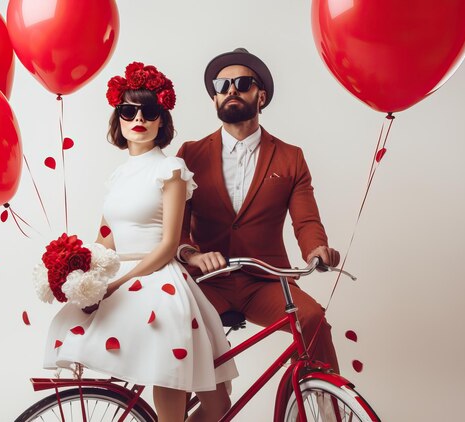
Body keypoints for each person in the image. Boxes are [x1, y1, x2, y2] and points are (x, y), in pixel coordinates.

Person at [43, 62, 237, 422]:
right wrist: (74, 271)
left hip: (160, 280)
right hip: (125, 280)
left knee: (216, 405)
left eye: (150, 111)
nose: (139, 118)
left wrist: (116, 284)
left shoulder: (171, 169)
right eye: (128, 110)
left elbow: (166, 246)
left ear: (161, 119)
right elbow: (105, 240)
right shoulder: (117, 175)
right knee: (172, 386)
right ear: (118, 119)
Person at [176, 47, 341, 397]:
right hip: (208, 281)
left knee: (312, 320)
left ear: (260, 95)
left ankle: (329, 409)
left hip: (264, 280)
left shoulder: (290, 157)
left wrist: (316, 249)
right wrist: (190, 254)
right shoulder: (189, 154)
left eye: (242, 82)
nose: (231, 90)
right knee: (175, 334)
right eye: (222, 85)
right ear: (214, 97)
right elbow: (175, 225)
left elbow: (306, 219)